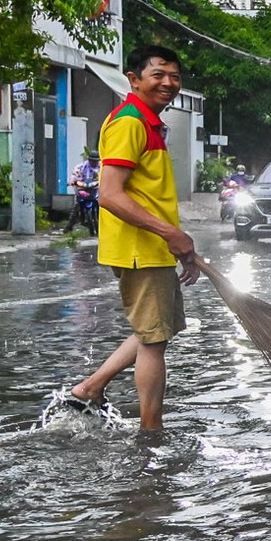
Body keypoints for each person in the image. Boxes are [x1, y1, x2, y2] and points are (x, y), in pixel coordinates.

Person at [61, 45, 200, 431]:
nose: (168, 83)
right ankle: (151, 433)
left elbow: (145, 193)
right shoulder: (130, 123)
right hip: (141, 249)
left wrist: (176, 242)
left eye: (174, 76)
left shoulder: (148, 122)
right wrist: (171, 233)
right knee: (154, 342)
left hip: (153, 248)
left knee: (153, 332)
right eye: (158, 75)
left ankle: (91, 387)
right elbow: (110, 194)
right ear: (134, 80)